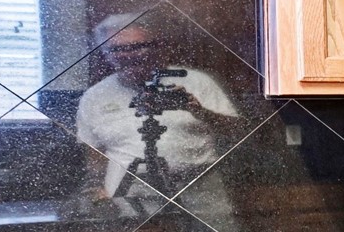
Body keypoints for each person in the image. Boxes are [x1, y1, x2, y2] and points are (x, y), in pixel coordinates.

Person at [74, 13, 241, 217]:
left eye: (138, 46)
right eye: (117, 49)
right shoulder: (95, 96)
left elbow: (238, 132)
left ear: (157, 47)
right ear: (105, 54)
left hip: (200, 196)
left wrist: (199, 111)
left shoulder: (197, 82)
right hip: (129, 202)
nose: (128, 55)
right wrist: (95, 189)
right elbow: (95, 155)